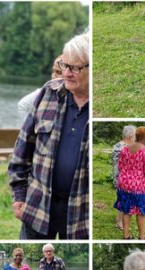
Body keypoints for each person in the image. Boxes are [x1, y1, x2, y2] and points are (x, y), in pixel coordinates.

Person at [8, 31, 89, 240]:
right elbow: (21, 151)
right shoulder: (48, 94)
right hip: (38, 207)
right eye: (64, 65)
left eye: (75, 68)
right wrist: (19, 196)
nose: (66, 73)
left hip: (82, 216)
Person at [114, 126, 145, 240]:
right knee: (141, 211)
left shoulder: (125, 149)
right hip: (138, 186)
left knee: (126, 209)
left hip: (124, 184)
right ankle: (142, 237)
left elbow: (120, 166)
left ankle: (126, 236)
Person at [112, 125, 136, 230]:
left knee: (121, 198)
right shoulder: (128, 148)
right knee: (124, 200)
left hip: (117, 176)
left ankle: (119, 218)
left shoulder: (117, 145)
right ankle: (119, 222)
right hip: (126, 179)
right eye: (135, 135)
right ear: (131, 136)